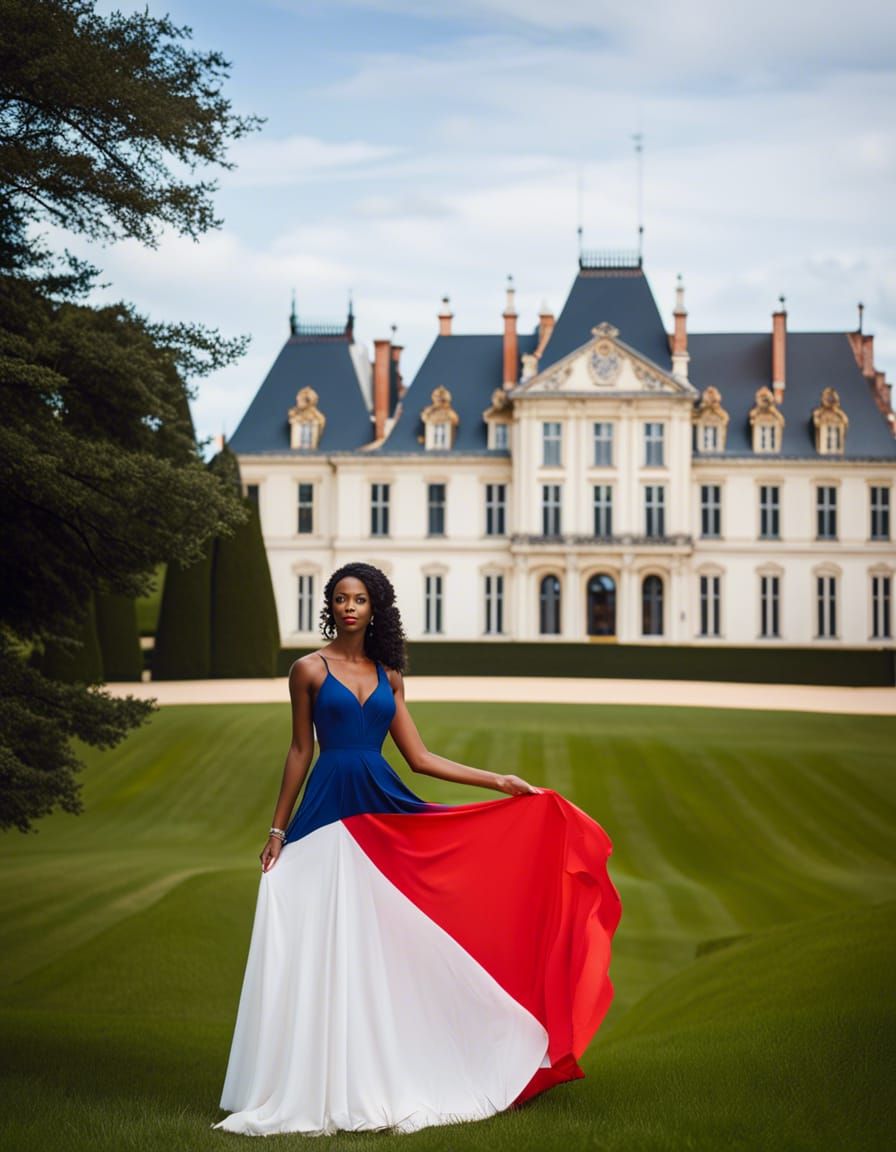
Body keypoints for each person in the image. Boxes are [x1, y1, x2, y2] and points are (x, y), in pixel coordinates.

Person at [213, 562, 621, 1137]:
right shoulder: (306, 669)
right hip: (327, 816)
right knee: (324, 944)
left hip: (383, 815)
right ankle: (317, 1080)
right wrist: (277, 832)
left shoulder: (390, 675)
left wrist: (498, 780)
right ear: (331, 607)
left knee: (385, 949)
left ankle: (404, 1064)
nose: (349, 606)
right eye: (340, 598)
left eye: (359, 598)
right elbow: (299, 752)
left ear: (375, 606)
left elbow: (421, 758)